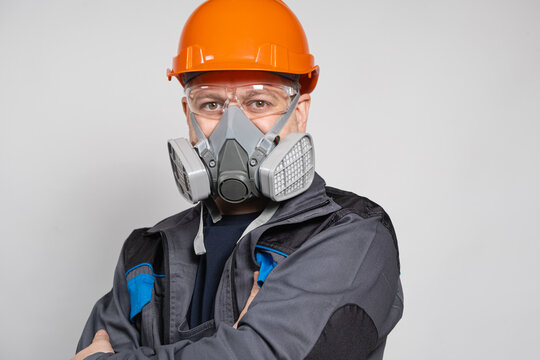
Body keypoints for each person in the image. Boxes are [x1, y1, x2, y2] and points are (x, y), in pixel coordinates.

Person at [74, 0, 403, 359]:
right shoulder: (145, 254)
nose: (233, 127)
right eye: (211, 104)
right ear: (189, 114)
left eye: (259, 102)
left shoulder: (350, 234)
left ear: (300, 113)